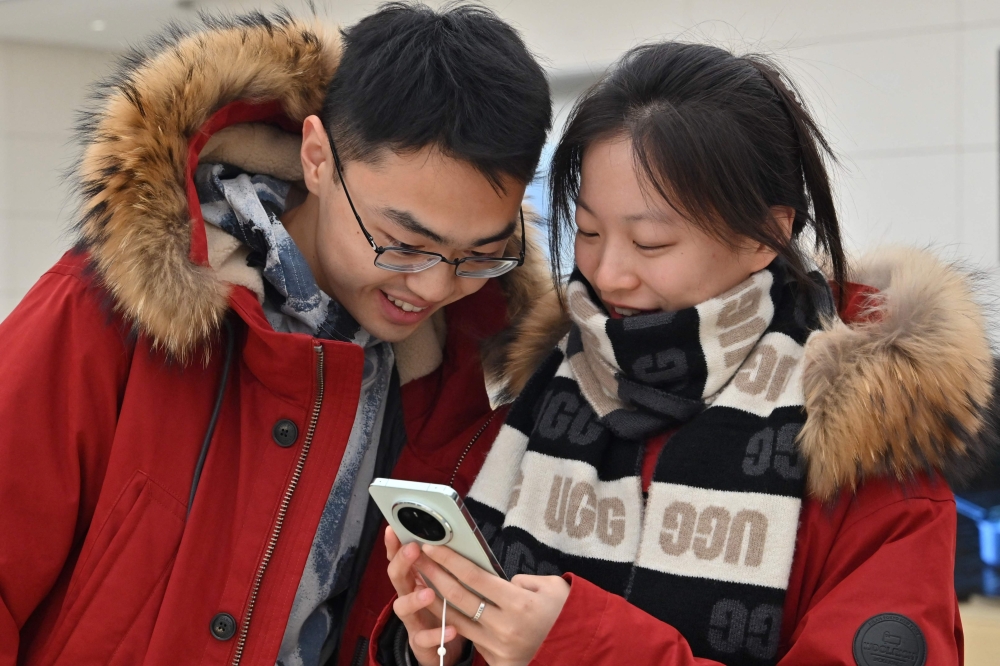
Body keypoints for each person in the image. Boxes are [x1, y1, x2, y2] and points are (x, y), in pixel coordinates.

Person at [376, 42, 995, 666]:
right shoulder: (548, 389)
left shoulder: (866, 444)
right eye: (588, 232)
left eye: (650, 242)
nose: (606, 273)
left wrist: (575, 649)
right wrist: (436, 644)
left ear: (767, 236)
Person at [0, 5, 554, 666]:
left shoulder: (457, 393)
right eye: (404, 244)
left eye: (480, 255)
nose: (433, 288)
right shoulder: (112, 308)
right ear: (318, 158)